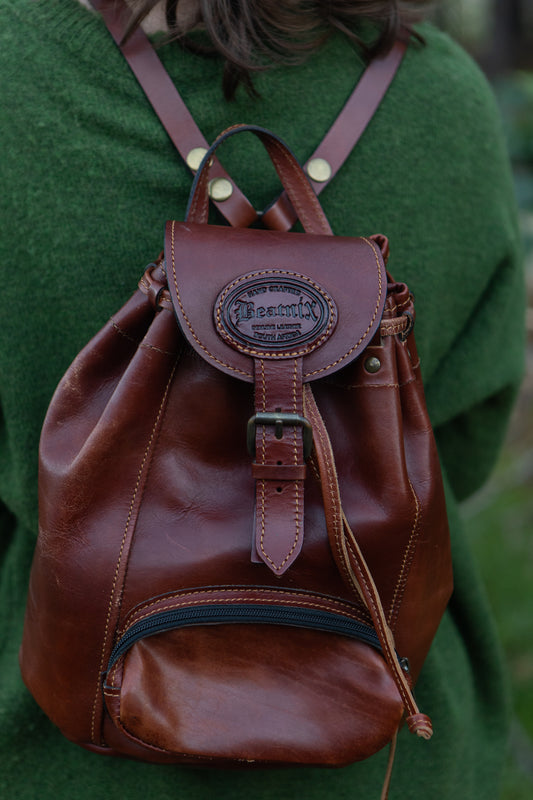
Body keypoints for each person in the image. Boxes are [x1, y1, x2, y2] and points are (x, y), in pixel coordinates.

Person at [0, 0, 525, 798]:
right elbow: (463, 447)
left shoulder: (17, 69)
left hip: (65, 748)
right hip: (393, 753)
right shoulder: (444, 95)